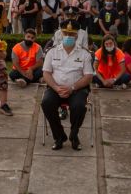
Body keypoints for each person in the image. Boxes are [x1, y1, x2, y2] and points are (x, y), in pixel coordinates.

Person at [40, 23, 94, 151]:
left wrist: (72, 88)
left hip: (77, 89)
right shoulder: (52, 52)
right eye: (66, 33)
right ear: (61, 34)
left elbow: (88, 77)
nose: (68, 36)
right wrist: (56, 87)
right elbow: (46, 73)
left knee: (79, 106)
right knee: (46, 103)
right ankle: (59, 136)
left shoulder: (84, 54)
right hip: (55, 87)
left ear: (77, 35)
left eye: (71, 34)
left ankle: (74, 135)